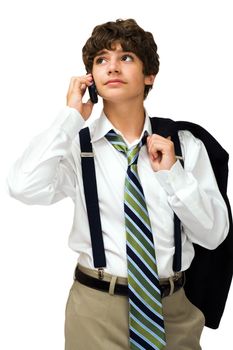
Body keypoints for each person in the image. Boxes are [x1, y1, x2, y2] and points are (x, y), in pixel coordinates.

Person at [7, 19, 230, 350]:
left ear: (149, 75)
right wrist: (70, 117)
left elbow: (213, 236)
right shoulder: (75, 145)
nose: (112, 67)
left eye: (126, 57)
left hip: (173, 310)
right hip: (97, 309)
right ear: (91, 78)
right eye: (101, 60)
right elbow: (22, 186)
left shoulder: (184, 145)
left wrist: (173, 175)